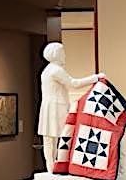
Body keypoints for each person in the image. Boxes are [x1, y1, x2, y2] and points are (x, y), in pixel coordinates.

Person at [37, 42, 102, 172]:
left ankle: (52, 166)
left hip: (50, 106)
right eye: (62, 53)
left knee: (50, 138)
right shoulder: (56, 70)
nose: (65, 56)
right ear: (56, 54)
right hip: (56, 106)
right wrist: (95, 78)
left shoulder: (48, 70)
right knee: (62, 136)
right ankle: (54, 166)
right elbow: (74, 84)